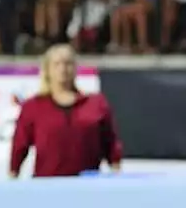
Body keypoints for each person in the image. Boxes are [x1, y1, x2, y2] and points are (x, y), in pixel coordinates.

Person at [9, 44, 122, 178]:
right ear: (48, 69)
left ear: (75, 68)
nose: (63, 69)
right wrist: (13, 174)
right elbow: (19, 145)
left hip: (88, 186)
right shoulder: (33, 107)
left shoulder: (96, 104)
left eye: (68, 63)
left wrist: (116, 172)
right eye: (57, 64)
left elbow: (110, 142)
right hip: (47, 185)